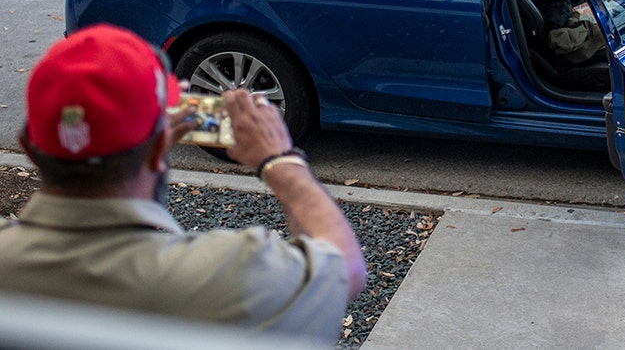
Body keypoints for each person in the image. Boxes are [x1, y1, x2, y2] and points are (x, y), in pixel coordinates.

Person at [0, 24, 368, 342]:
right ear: (162, 145)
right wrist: (279, 161)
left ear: (28, 149)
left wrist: (147, 149)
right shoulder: (234, 277)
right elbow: (346, 267)